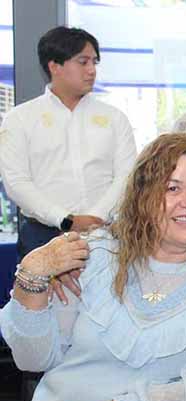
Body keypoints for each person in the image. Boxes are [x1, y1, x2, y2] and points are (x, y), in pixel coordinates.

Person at [0, 133, 186, 401]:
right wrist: (31, 279)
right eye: (172, 188)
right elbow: (33, 359)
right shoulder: (92, 254)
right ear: (143, 195)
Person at [0, 26, 137, 260]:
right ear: (55, 66)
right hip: (43, 235)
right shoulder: (20, 118)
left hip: (106, 232)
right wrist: (65, 219)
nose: (92, 70)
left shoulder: (115, 118)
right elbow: (16, 181)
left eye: (94, 62)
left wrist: (96, 217)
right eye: (83, 62)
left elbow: (126, 175)